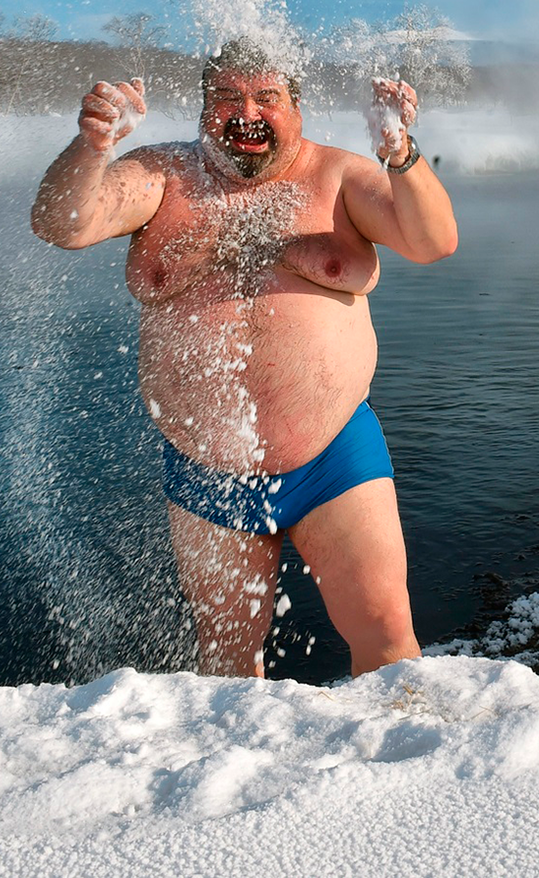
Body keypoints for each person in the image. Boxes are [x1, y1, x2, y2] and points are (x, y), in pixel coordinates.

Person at [30, 36, 458, 679]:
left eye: (266, 97)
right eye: (225, 97)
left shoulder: (339, 177)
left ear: (296, 108)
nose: (245, 111)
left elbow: (434, 242)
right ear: (203, 110)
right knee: (227, 655)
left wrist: (401, 154)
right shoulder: (163, 176)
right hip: (207, 466)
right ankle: (241, 776)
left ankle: (399, 771)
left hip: (333, 456)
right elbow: (62, 223)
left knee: (386, 632)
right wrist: (94, 148)